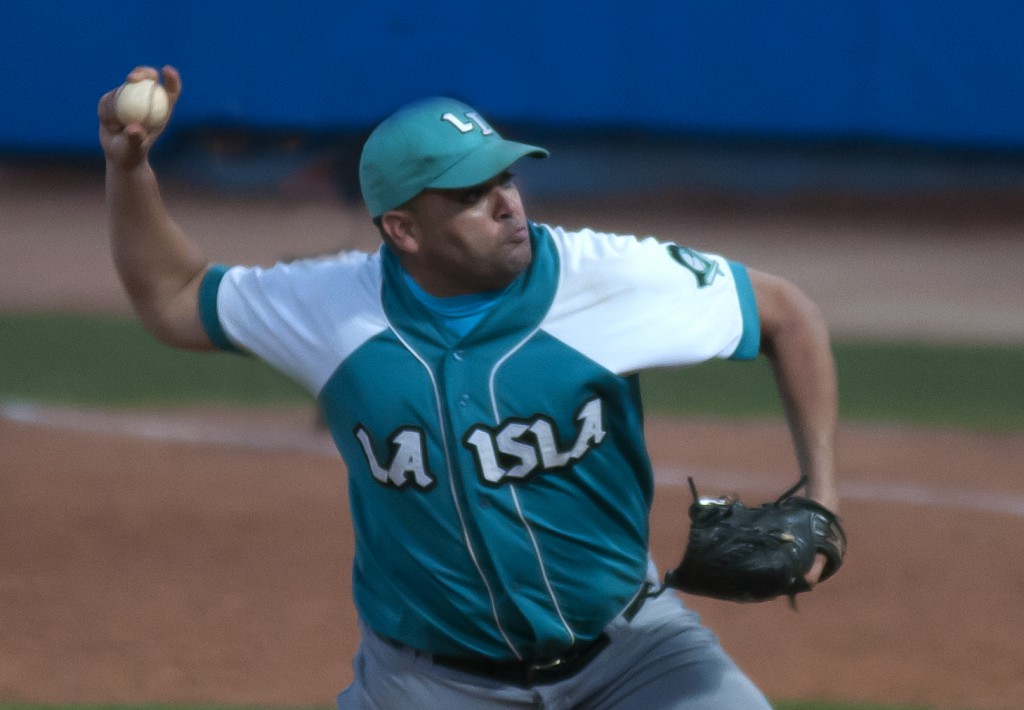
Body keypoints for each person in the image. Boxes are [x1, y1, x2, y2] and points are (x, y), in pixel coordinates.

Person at [99, 65, 840, 709]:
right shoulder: (333, 309)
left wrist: (822, 496)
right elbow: (175, 295)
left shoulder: (606, 277)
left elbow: (786, 314)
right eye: (470, 193)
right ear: (404, 230)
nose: (507, 203)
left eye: (506, 176)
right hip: (431, 685)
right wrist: (129, 170)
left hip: (634, 654)